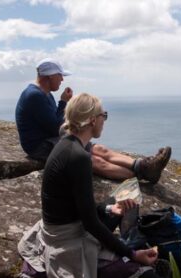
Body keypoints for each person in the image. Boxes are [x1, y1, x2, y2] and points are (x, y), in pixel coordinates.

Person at [18, 93, 169, 278]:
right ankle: (134, 251)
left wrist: (109, 209)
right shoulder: (78, 157)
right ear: (91, 120)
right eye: (103, 115)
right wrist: (132, 254)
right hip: (67, 240)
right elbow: (90, 224)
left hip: (59, 226)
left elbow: (77, 203)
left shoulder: (66, 144)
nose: (104, 120)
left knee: (118, 203)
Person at [15, 58, 171, 184]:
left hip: (52, 139)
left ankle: (143, 165)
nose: (62, 79)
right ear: (49, 76)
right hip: (39, 146)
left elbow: (53, 122)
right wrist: (63, 103)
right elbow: (55, 126)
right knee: (93, 161)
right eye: (59, 75)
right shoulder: (34, 95)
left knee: (100, 149)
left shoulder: (44, 93)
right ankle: (142, 175)